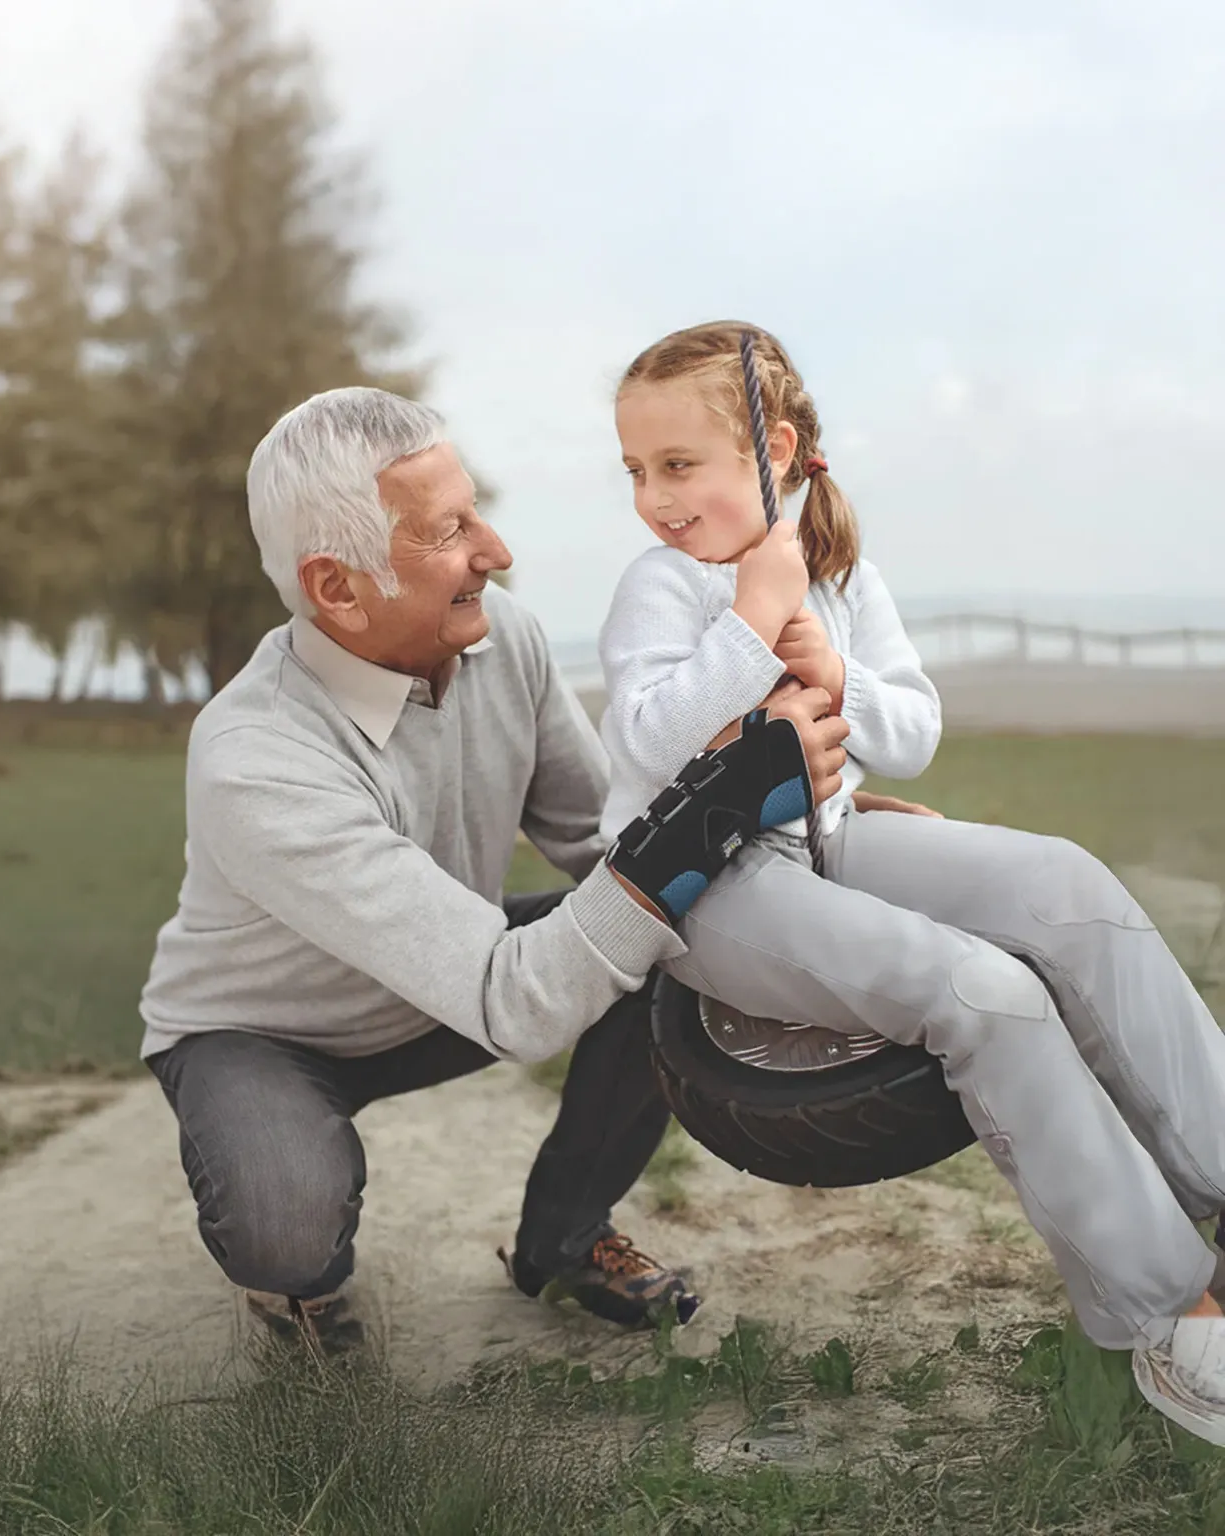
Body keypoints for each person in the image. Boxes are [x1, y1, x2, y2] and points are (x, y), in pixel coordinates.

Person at [596, 319, 1225, 1443]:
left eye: (678, 464)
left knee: (1066, 883)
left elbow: (916, 731)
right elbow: (649, 743)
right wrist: (751, 619)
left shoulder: (843, 572)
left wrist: (837, 674)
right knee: (984, 990)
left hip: (828, 837)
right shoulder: (662, 584)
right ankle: (1168, 1308)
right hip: (701, 887)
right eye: (637, 470)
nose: (655, 497)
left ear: (772, 451)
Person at [136, 385, 848, 1352]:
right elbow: (513, 1003)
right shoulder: (255, 759)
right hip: (265, 1031)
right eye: (449, 532)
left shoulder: (502, 637)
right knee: (286, 1225)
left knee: (670, 939)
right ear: (336, 587)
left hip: (453, 975)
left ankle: (563, 1238)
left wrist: (818, 822)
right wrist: (719, 800)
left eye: (475, 513)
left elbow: (602, 833)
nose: (496, 551)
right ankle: (294, 1284)